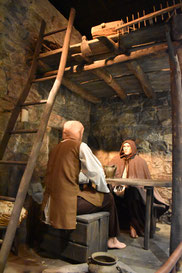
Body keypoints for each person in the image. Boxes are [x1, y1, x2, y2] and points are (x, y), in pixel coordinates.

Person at [41, 120, 126, 249]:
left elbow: (66, 173)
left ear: (64, 133)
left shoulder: (55, 148)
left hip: (49, 204)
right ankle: (112, 239)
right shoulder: (80, 146)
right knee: (108, 199)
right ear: (80, 133)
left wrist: (83, 179)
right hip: (64, 206)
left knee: (87, 193)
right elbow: (96, 173)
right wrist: (104, 189)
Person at [109, 139, 169, 238]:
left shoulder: (140, 162)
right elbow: (110, 175)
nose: (126, 148)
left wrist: (129, 185)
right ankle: (112, 226)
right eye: (124, 146)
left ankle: (133, 225)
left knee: (133, 191)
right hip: (118, 189)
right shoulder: (116, 160)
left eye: (128, 146)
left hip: (134, 191)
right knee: (109, 192)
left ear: (132, 148)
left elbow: (144, 181)